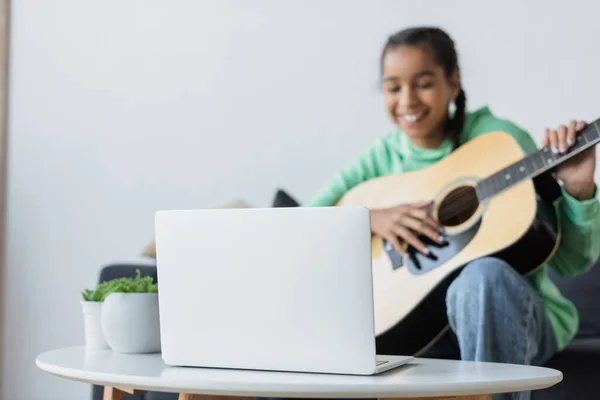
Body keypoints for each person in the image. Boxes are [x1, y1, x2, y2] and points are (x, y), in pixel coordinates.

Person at [304, 26, 600, 400]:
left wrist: (578, 189)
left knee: (482, 277)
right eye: (393, 88)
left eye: (423, 83)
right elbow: (306, 225)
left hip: (517, 326)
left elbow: (571, 263)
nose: (407, 101)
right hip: (422, 337)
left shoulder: (502, 141)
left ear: (454, 82)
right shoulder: (381, 157)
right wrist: (371, 218)